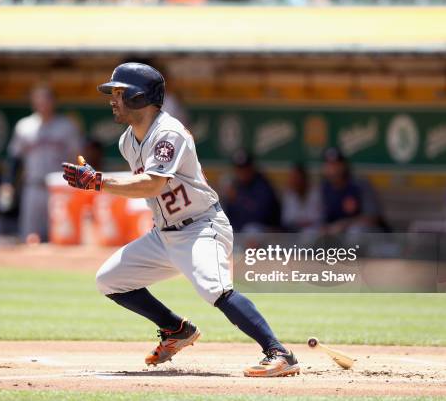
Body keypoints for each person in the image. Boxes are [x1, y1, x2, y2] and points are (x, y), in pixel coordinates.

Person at [62, 63, 299, 378]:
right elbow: (146, 188)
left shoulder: (168, 133)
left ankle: (279, 352)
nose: (113, 99)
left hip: (202, 227)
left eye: (120, 93)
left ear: (139, 97)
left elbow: (153, 184)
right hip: (164, 236)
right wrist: (99, 181)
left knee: (214, 288)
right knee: (109, 279)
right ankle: (175, 329)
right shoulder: (127, 141)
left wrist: (98, 182)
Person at [0, 84, 82, 242]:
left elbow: (77, 158)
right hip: (32, 187)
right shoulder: (24, 126)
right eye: (38, 99)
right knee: (29, 237)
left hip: (58, 190)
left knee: (58, 237)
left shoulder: (66, 126)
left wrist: (76, 187)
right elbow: (14, 158)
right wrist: (7, 183)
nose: (42, 103)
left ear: (54, 101)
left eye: (46, 99)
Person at [320, 147, 387, 234]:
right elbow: (321, 219)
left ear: (344, 165)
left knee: (355, 232)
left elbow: (372, 217)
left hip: (371, 234)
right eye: (329, 164)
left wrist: (344, 225)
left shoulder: (360, 185)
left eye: (336, 164)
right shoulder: (324, 188)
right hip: (337, 234)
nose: (333, 169)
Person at [222, 149, 283, 233]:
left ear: (252, 167)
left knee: (252, 229)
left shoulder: (263, 185)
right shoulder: (235, 186)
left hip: (267, 232)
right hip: (240, 232)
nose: (242, 172)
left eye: (245, 168)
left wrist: (238, 199)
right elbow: (229, 216)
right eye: (239, 168)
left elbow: (259, 216)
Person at [281, 162, 321, 232]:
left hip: (313, 230)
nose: (294, 181)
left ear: (304, 179)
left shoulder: (316, 193)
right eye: (292, 178)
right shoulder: (289, 194)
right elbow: (287, 219)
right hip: (293, 230)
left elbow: (317, 219)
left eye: (297, 178)